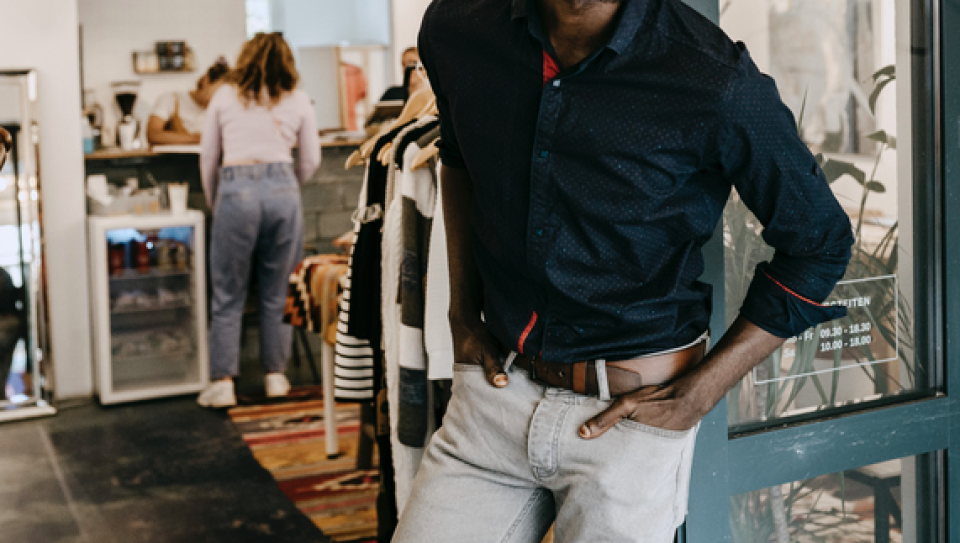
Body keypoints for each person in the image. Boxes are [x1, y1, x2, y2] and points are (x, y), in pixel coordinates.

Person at [392, 0, 854, 541]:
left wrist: (702, 391)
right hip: (492, 401)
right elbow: (459, 158)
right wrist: (460, 314)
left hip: (631, 420)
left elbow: (820, 243)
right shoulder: (457, 26)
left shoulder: (715, 78)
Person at [196, 33, 320, 408]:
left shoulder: (223, 96)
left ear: (245, 58)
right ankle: (276, 377)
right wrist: (284, 187)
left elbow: (208, 159)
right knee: (278, 290)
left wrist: (219, 201)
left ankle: (223, 383)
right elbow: (311, 160)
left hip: (236, 191)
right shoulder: (299, 100)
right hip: (284, 190)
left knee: (228, 291)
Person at [146, 58, 230, 145]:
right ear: (206, 80)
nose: (220, 98)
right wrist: (197, 138)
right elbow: (153, 135)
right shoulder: (171, 99)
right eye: (218, 92)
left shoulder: (219, 111)